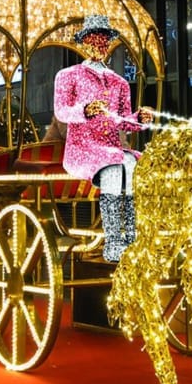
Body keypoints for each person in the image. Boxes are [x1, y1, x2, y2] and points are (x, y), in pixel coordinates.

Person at [54, 15, 153, 262]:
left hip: (111, 149)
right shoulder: (68, 75)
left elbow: (123, 122)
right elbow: (61, 111)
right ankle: (113, 242)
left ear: (109, 44)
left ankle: (131, 236)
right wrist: (85, 111)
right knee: (113, 168)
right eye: (93, 39)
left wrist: (139, 118)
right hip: (82, 151)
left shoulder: (119, 83)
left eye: (103, 40)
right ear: (84, 43)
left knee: (131, 165)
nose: (99, 44)